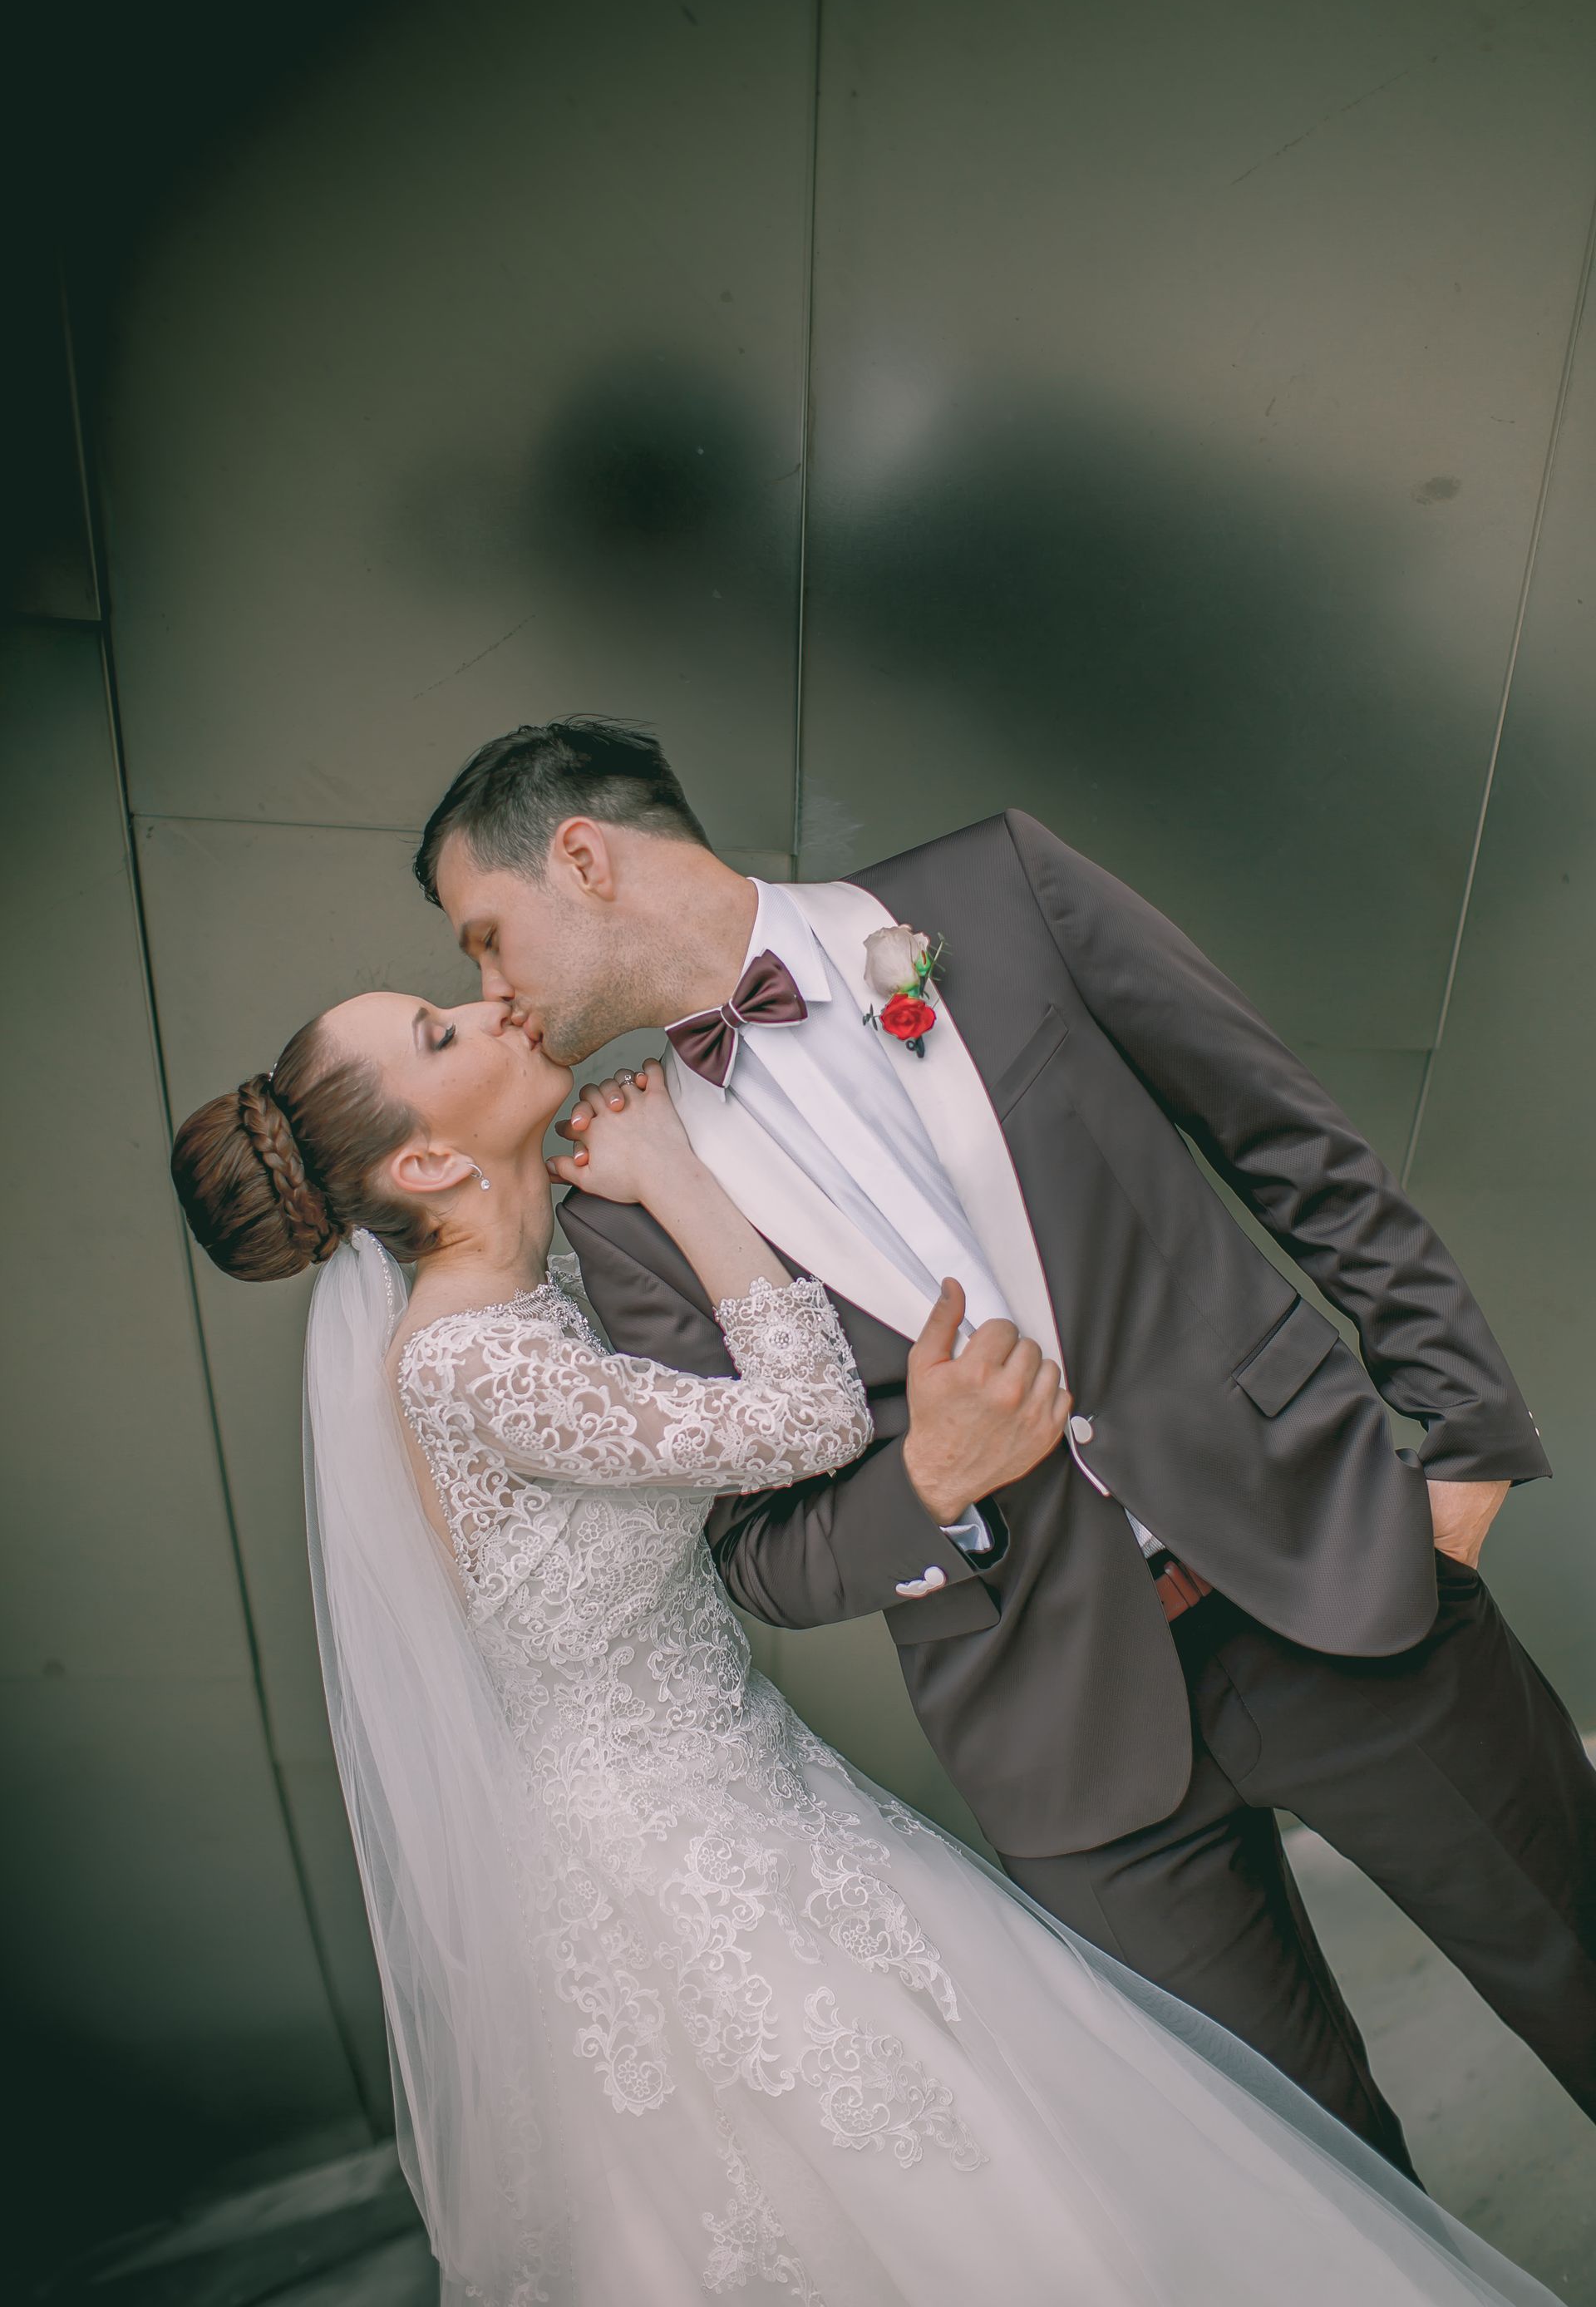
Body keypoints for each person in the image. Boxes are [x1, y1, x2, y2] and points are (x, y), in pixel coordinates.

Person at [173, 998, 1557, 2305]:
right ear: (424, 1157)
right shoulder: (477, 1362)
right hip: (680, 1870)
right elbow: (810, 1420)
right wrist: (674, 1177)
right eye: (438, 1029)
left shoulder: (530, 1312)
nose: (486, 1008)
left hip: (745, 1803)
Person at [416, 718, 1596, 2184]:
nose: (492, 989)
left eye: (486, 935)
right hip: (1069, 1754)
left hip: (1338, 1571)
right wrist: (929, 1484)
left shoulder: (1001, 891)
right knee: (1313, 2187)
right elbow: (756, 1561)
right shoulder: (625, 1202)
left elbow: (1290, 1143)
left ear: (581, 858)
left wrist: (1467, 1431)